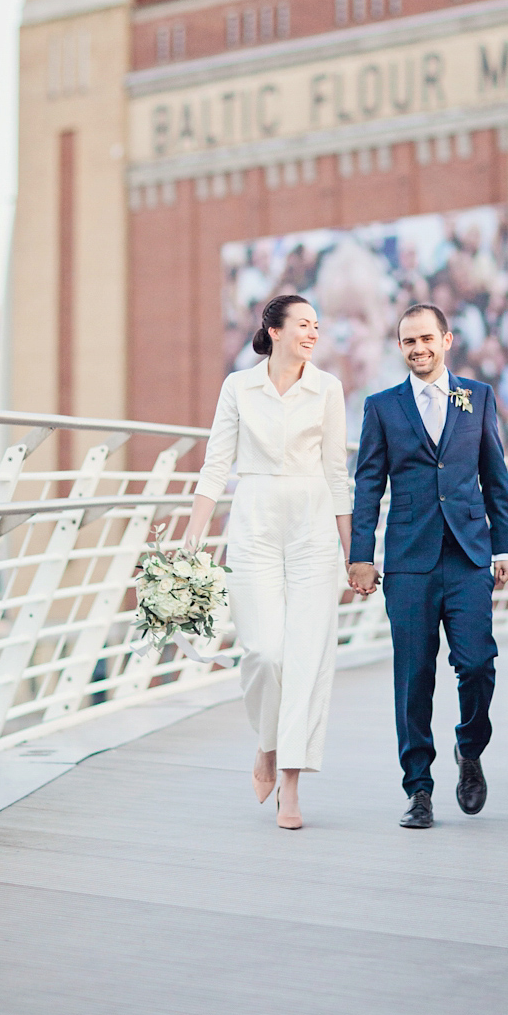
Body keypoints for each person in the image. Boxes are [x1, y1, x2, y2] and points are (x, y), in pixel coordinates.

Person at [182, 294, 352, 831]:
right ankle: (267, 744)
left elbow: (336, 474)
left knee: (305, 659)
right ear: (274, 331)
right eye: (304, 324)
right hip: (253, 525)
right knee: (263, 652)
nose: (313, 334)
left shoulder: (327, 389)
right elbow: (215, 467)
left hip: (313, 529)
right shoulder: (239, 386)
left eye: (317, 326)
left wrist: (355, 554)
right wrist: (191, 539)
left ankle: (292, 786)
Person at [348, 303, 508, 829]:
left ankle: (470, 750)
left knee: (477, 664)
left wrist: (505, 546)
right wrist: (360, 555)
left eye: (426, 339)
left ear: (446, 340)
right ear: (399, 348)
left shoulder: (479, 397)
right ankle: (418, 788)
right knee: (414, 676)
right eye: (407, 342)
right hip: (409, 563)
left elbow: (495, 475)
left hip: (468, 556)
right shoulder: (382, 407)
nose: (418, 348)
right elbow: (369, 484)